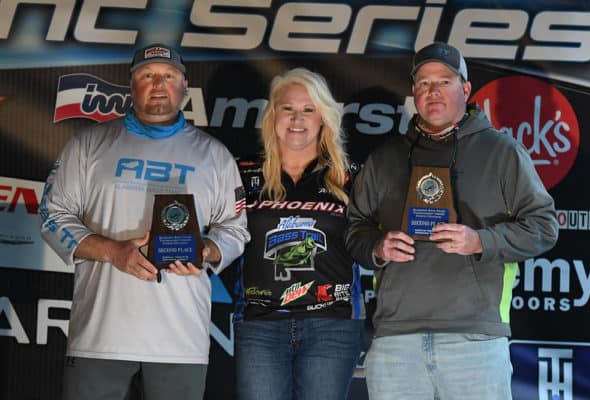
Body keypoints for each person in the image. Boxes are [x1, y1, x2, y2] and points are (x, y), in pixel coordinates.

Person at [344, 42, 559, 400]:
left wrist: (480, 241)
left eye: (444, 81)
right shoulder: (385, 158)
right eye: (424, 82)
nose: (434, 91)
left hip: (474, 338)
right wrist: (378, 247)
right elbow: (354, 229)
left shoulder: (502, 152)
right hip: (397, 339)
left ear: (466, 89)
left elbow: (544, 226)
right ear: (414, 92)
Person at [39, 43, 250, 400]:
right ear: (131, 84)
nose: (158, 84)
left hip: (179, 341)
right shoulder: (88, 144)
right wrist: (112, 252)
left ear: (184, 85)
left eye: (168, 76)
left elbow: (235, 228)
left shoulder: (214, 155)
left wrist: (205, 250)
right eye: (147, 75)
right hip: (100, 337)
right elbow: (52, 216)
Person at [235, 67, 363, 400]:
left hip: (332, 324)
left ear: (323, 118)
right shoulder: (241, 172)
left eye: (309, 109)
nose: (297, 118)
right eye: (288, 108)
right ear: (272, 115)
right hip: (260, 323)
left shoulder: (351, 177)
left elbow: (370, 241)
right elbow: (217, 231)